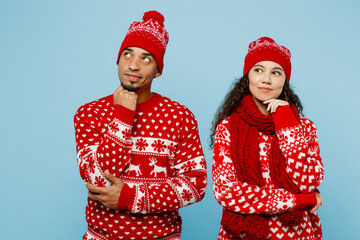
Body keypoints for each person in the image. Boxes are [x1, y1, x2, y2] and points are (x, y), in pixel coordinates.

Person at [74, 10, 207, 240]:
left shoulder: (180, 116)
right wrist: (123, 117)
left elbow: (195, 185)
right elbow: (97, 181)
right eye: (127, 54)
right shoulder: (89, 114)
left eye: (146, 58)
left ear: (158, 70)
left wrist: (131, 197)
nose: (134, 65)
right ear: (118, 59)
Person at [210, 37, 324, 240]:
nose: (266, 79)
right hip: (243, 234)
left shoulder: (304, 128)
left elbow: (308, 182)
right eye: (258, 70)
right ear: (247, 77)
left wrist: (287, 123)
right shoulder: (227, 128)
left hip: (295, 233)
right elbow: (226, 191)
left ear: (284, 80)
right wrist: (297, 201)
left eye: (276, 72)